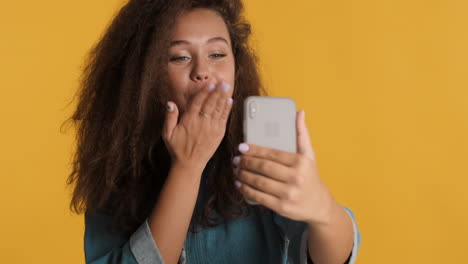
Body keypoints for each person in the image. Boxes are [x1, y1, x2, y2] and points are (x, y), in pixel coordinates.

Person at [65, 0, 361, 263]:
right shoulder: (116, 166)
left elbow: (329, 256)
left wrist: (323, 210)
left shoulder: (257, 148)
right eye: (180, 57)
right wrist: (188, 167)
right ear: (146, 77)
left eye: (217, 54)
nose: (202, 71)